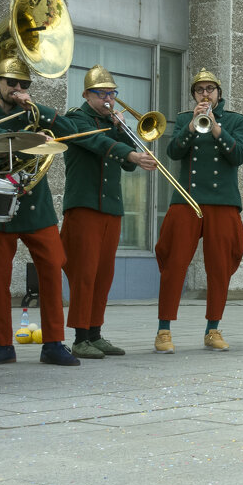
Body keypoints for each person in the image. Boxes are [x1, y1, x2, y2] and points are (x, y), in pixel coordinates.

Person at [0, 54, 79, 367]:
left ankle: (55, 343)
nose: (17, 88)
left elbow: (70, 128)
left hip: (35, 203)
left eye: (24, 84)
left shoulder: (32, 112)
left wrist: (37, 108)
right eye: (12, 83)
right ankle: (2, 344)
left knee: (52, 267)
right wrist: (11, 151)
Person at [59, 66, 156, 359]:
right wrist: (125, 149)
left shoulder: (112, 125)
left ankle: (96, 333)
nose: (108, 99)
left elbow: (128, 164)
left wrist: (124, 130)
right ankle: (79, 337)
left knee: (104, 274)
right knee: (84, 273)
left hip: (111, 207)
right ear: (86, 95)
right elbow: (96, 143)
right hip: (84, 206)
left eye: (112, 94)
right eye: (101, 94)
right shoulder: (75, 119)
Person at [153, 69, 243, 354]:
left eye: (210, 89)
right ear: (194, 95)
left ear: (219, 93)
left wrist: (217, 128)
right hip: (188, 199)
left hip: (222, 200)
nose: (205, 94)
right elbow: (173, 152)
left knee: (219, 267)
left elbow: (238, 155)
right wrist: (193, 126)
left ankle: (213, 329)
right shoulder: (184, 119)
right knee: (174, 263)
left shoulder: (235, 120)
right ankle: (164, 329)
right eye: (199, 90)